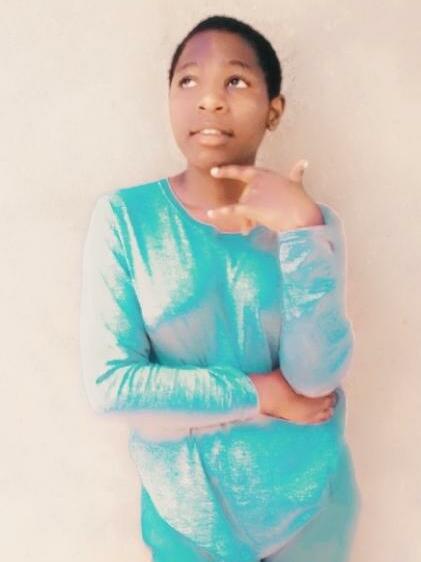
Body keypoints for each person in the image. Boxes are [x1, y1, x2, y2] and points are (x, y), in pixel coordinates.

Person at [80, 14, 361, 562]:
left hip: (310, 511)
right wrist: (262, 394)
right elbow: (112, 387)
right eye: (188, 80)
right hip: (186, 518)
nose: (209, 100)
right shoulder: (125, 219)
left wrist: (302, 232)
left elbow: (316, 379)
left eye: (235, 81)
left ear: (273, 110)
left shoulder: (312, 222)